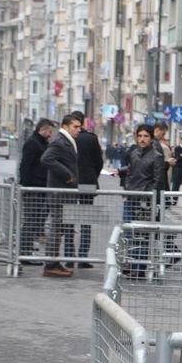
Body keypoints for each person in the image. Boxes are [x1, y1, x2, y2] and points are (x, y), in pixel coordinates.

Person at [119, 124, 166, 277]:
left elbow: (158, 181)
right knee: (129, 233)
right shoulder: (134, 153)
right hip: (131, 198)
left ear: (151, 138)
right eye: (140, 136)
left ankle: (139, 268)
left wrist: (147, 196)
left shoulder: (157, 156)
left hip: (146, 201)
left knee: (143, 235)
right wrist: (127, 190)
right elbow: (130, 174)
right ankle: (130, 262)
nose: (142, 139)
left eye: (146, 136)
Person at [40, 114, 81, 278]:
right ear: (65, 127)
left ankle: (54, 262)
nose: (78, 130)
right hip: (59, 194)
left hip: (64, 194)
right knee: (56, 229)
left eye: (79, 127)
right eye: (75, 127)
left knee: (59, 230)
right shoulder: (59, 141)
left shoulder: (68, 141)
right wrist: (67, 175)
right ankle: (50, 264)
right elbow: (46, 159)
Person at [68, 110, 103, 269]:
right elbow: (99, 162)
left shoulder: (68, 139)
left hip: (70, 182)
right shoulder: (91, 138)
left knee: (69, 220)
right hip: (88, 181)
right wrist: (92, 175)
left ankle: (68, 257)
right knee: (86, 221)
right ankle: (83, 257)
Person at [18, 118, 54, 264]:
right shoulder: (32, 143)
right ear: (42, 130)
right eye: (49, 131)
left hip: (39, 187)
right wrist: (25, 187)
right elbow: (25, 166)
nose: (51, 134)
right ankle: (24, 253)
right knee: (30, 221)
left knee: (35, 221)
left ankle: (27, 251)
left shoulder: (42, 143)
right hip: (33, 187)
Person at [153, 122, 175, 193]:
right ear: (157, 130)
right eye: (163, 134)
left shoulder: (156, 143)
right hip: (157, 182)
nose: (163, 137)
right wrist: (168, 163)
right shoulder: (154, 143)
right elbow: (155, 164)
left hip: (159, 181)